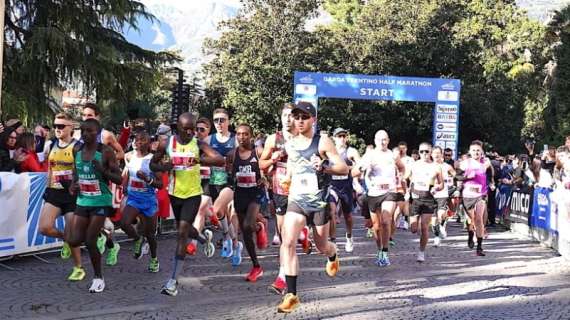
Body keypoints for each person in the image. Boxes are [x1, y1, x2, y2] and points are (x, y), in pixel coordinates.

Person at [277, 102, 348, 313]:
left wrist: (324, 167)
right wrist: (288, 177)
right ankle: (292, 294)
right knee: (287, 241)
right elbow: (292, 162)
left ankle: (332, 253)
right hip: (297, 199)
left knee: (321, 246)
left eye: (304, 117)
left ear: (313, 120)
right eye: (296, 117)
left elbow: (343, 167)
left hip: (319, 202)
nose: (299, 121)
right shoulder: (290, 142)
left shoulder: (322, 142)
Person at [152, 112, 224, 297]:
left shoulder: (198, 144)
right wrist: (164, 168)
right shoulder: (167, 144)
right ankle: (202, 238)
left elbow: (219, 159)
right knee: (184, 228)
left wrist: (199, 159)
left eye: (193, 129)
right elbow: (153, 164)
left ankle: (173, 281)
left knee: (182, 232)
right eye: (186, 129)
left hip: (193, 194)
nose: (191, 132)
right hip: (174, 193)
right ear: (178, 127)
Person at [66, 119, 122, 293]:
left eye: (89, 131)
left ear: (97, 133)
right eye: (82, 130)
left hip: (101, 201)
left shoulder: (105, 152)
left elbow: (119, 179)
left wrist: (103, 170)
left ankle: (98, 278)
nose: (84, 134)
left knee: (90, 241)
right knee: (73, 240)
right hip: (83, 200)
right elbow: (76, 172)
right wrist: (73, 185)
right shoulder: (77, 149)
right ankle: (103, 233)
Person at [38, 113, 84, 281]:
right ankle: (65, 239)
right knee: (44, 228)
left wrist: (76, 185)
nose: (57, 129)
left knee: (73, 233)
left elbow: (82, 169)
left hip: (71, 194)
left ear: (71, 127)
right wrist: (48, 187)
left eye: (61, 126)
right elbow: (50, 169)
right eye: (56, 126)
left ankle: (78, 267)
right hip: (55, 193)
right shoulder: (50, 145)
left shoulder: (77, 147)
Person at [353, 130, 405, 267]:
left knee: (386, 220)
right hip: (374, 193)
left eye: (385, 139)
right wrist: (362, 168)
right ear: (375, 140)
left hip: (390, 192)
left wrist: (400, 178)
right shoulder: (369, 155)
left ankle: (385, 251)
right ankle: (379, 250)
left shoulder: (392, 155)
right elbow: (354, 172)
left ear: (388, 140)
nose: (382, 142)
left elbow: (402, 168)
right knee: (376, 227)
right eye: (379, 139)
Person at [227, 124, 267, 282]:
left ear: (251, 135)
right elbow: (229, 173)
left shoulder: (258, 153)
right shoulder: (232, 154)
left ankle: (257, 226)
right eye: (238, 134)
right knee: (246, 233)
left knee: (247, 225)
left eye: (245, 134)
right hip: (240, 194)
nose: (241, 137)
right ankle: (256, 266)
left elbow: (268, 168)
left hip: (256, 194)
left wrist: (265, 178)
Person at [121, 131, 163, 273]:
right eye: (136, 139)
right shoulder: (128, 156)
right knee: (124, 223)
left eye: (142, 140)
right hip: (133, 199)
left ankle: (154, 258)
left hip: (148, 201)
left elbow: (160, 184)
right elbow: (127, 171)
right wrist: (124, 186)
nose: (137, 142)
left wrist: (147, 179)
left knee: (150, 234)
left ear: (148, 144)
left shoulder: (153, 160)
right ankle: (137, 239)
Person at [406, 142, 443, 262]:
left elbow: (441, 184)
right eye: (421, 151)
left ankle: (421, 252)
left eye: (427, 151)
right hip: (415, 198)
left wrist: (436, 187)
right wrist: (405, 188)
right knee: (413, 229)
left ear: (431, 152)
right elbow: (405, 177)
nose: (424, 154)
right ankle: (417, 230)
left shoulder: (436, 167)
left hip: (428, 198)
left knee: (424, 227)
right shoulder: (414, 165)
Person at [459, 140, 493, 256]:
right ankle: (470, 234)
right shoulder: (465, 163)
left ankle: (479, 247)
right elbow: (457, 176)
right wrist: (467, 177)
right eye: (473, 150)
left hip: (481, 194)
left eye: (478, 150)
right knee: (471, 219)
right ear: (470, 151)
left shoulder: (486, 162)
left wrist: (491, 182)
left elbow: (486, 170)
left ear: (482, 151)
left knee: (478, 219)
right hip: (468, 195)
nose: (476, 152)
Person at [329, 127, 360, 252]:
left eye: (343, 136)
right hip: (332, 185)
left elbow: (360, 164)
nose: (342, 139)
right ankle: (333, 241)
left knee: (348, 216)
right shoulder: (330, 151)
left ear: (347, 138)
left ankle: (349, 236)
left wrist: (351, 168)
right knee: (331, 212)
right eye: (339, 136)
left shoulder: (351, 151)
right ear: (334, 138)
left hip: (346, 186)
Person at [205, 108, 236, 201]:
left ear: (228, 122)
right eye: (216, 120)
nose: (219, 123)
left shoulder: (236, 139)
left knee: (230, 211)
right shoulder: (208, 140)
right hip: (211, 182)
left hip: (230, 182)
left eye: (222, 120)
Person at [432, 146, 456, 245]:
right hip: (431, 195)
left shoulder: (447, 166)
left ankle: (442, 225)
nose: (437, 155)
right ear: (432, 155)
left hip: (442, 193)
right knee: (433, 221)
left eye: (438, 153)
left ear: (441, 154)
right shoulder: (428, 166)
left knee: (440, 214)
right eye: (435, 153)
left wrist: (453, 180)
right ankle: (437, 235)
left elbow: (455, 174)